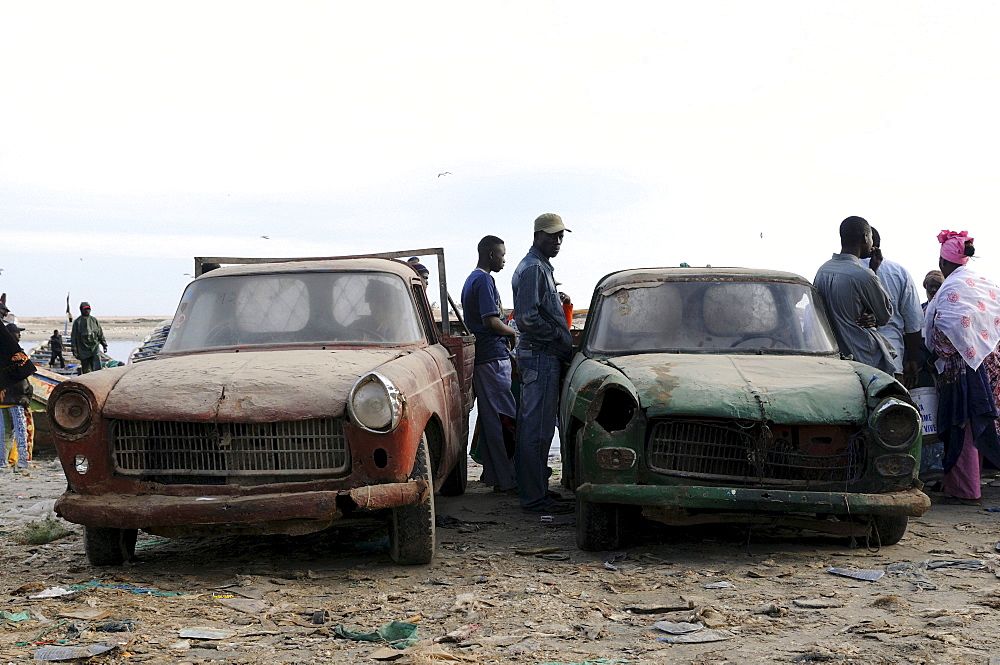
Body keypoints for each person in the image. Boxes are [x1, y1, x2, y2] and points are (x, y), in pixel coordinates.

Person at [923, 230, 1000, 503]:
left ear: (944, 263)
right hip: (990, 364)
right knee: (981, 423)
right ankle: (970, 483)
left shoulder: (952, 288)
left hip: (962, 369)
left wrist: (937, 355)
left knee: (963, 427)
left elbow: (943, 329)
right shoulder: (981, 281)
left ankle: (965, 487)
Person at [511, 213, 574, 514]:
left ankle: (535, 491)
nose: (558, 241)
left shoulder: (539, 267)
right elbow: (527, 318)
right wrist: (559, 340)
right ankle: (535, 498)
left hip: (539, 354)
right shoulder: (535, 268)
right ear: (537, 236)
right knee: (536, 430)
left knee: (534, 427)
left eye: (561, 236)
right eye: (552, 235)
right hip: (541, 354)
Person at [462, 235, 519, 494]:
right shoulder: (483, 280)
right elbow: (490, 321)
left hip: (484, 357)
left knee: (492, 419)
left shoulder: (472, 279)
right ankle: (509, 479)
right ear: (491, 255)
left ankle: (497, 477)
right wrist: (511, 333)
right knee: (505, 419)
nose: (505, 259)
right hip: (492, 357)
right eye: (502, 255)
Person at [813, 216, 896, 374]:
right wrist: (874, 271)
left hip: (834, 356)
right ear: (865, 237)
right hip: (863, 358)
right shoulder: (864, 276)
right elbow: (885, 315)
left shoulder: (822, 270)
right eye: (871, 237)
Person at [860, 227, 924, 387]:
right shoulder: (899, 273)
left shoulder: (837, 273)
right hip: (892, 362)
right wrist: (912, 360)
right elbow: (913, 323)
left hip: (853, 364)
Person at [1, 322, 31, 470]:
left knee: (4, 431)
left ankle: (2, 461)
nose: (19, 335)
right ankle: (23, 461)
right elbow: (20, 378)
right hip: (16, 398)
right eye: (17, 332)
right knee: (20, 430)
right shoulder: (15, 353)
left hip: (3, 399)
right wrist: (27, 394)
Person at [70, 301, 108, 373]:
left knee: (97, 368)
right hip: (83, 348)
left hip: (94, 347)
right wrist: (74, 349)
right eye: (85, 309)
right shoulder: (77, 322)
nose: (87, 310)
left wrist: (104, 344)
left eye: (88, 309)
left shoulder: (94, 320)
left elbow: (100, 333)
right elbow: (73, 337)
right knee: (86, 369)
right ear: (81, 310)